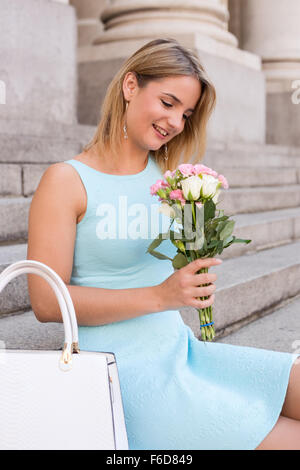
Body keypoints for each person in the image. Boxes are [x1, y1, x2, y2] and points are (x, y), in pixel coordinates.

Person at [26, 38, 300, 450]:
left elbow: (168, 269)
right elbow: (46, 302)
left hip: (181, 350)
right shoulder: (66, 181)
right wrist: (161, 295)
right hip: (126, 369)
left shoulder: (171, 180)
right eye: (168, 103)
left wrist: (195, 259)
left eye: (186, 113)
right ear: (131, 86)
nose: (175, 121)